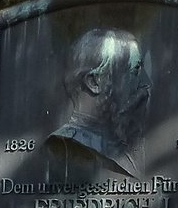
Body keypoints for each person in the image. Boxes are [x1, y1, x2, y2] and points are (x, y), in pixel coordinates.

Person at [47, 27, 151, 177]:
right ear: (95, 82)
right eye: (135, 71)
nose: (146, 83)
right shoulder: (62, 147)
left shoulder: (126, 147)